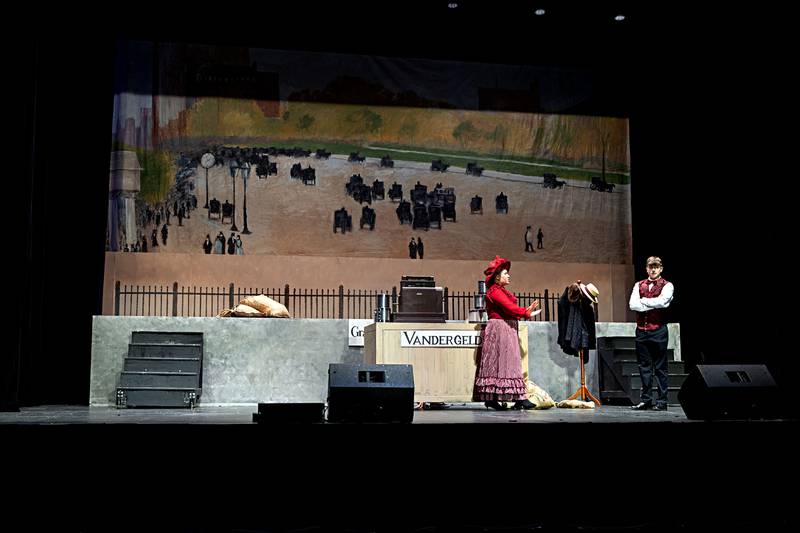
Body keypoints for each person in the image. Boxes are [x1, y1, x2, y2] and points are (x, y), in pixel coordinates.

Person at [473, 255, 539, 410]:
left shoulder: (500, 291)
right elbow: (509, 308)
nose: (508, 275)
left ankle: (514, 398)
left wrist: (524, 312)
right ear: (497, 277)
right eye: (505, 273)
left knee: (509, 362)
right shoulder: (494, 292)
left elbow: (510, 310)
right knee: (502, 363)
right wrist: (525, 312)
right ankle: (500, 399)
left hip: (505, 327)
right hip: (500, 328)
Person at [629, 256, 674, 411]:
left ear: (661, 269)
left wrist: (644, 301)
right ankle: (646, 400)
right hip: (642, 331)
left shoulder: (667, 285)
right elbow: (633, 305)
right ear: (647, 268)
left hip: (658, 331)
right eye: (651, 266)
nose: (653, 269)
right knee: (644, 367)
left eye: (656, 267)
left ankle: (662, 401)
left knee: (661, 368)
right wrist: (654, 302)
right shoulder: (638, 285)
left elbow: (663, 302)